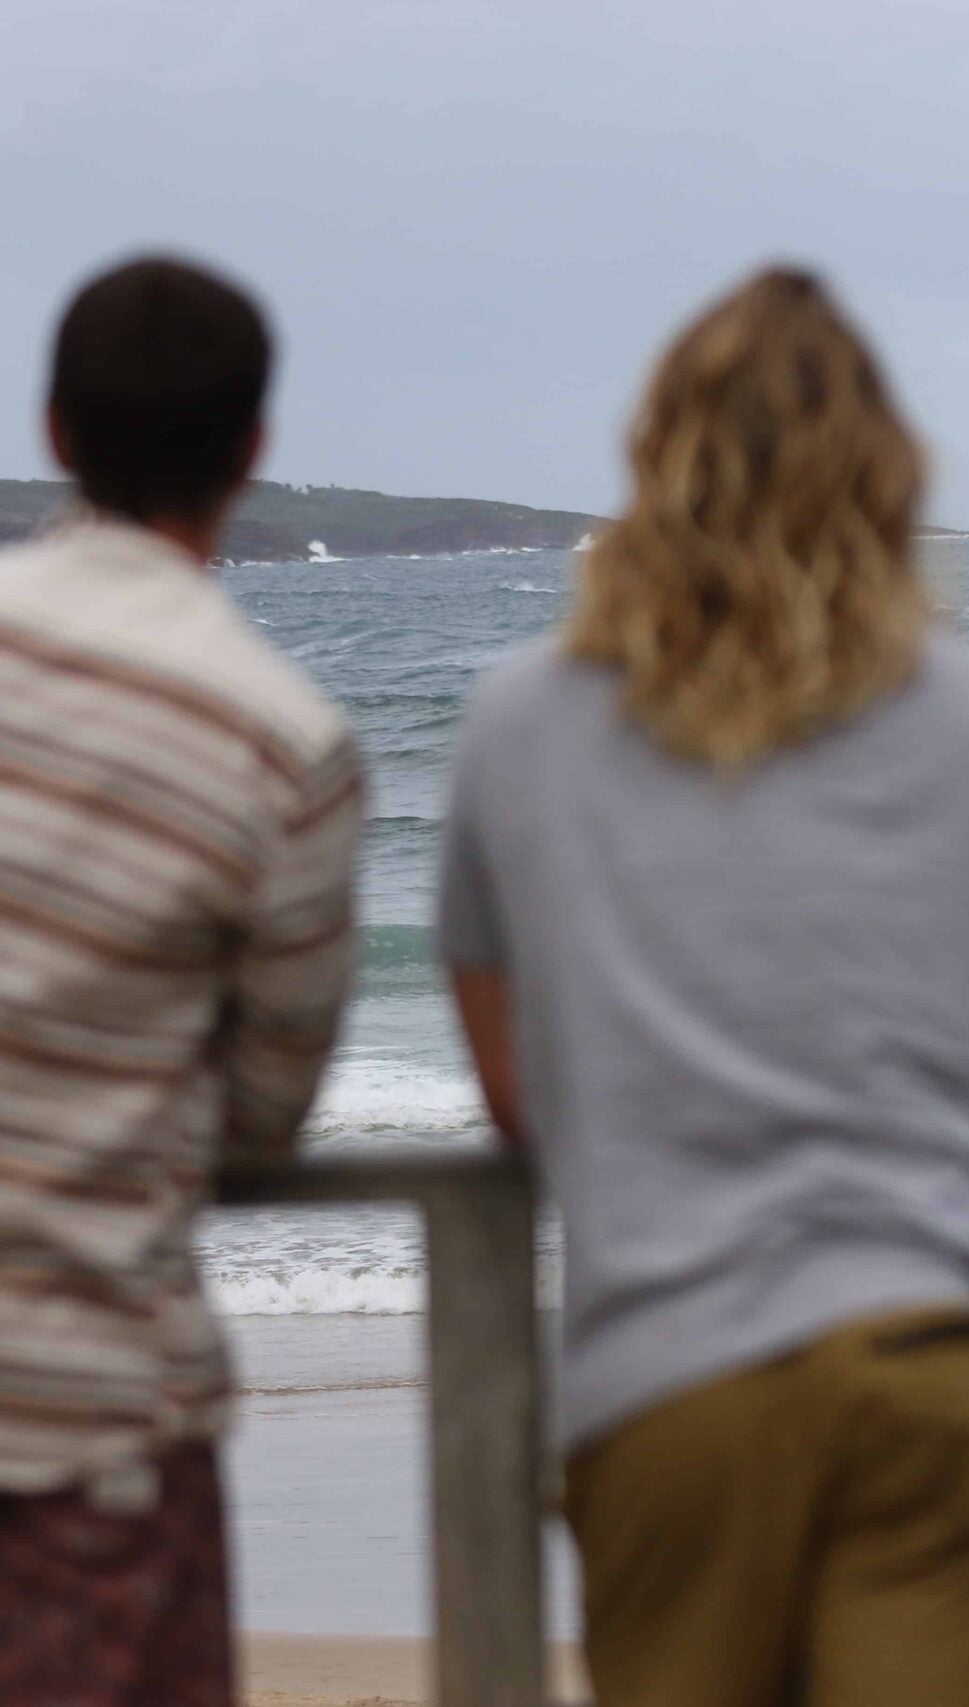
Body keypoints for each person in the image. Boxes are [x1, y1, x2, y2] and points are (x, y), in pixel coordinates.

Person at [436, 268, 969, 1707]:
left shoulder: (515, 729)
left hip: (664, 1391)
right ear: (892, 470)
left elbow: (517, 1098)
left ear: (656, 461)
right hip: (927, 1354)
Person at [0, 257, 363, 1706]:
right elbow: (264, 1114)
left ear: (56, 432)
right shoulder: (281, 742)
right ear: (255, 449)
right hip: (91, 1432)